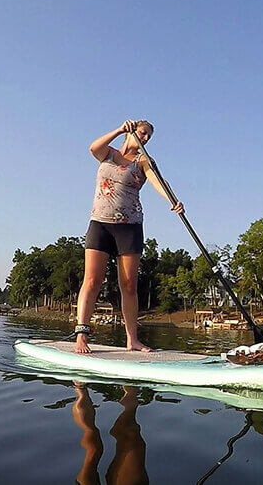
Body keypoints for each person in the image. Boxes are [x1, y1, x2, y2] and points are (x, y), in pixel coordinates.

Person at [75, 120, 183, 354]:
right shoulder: (108, 154)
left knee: (129, 285)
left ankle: (132, 339)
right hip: (100, 224)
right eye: (143, 134)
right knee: (92, 281)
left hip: (129, 226)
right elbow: (93, 147)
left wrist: (173, 200)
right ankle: (81, 336)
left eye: (148, 137)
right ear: (132, 131)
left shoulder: (144, 161)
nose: (145, 139)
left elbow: (159, 181)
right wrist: (118, 130)